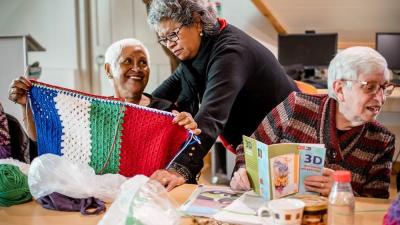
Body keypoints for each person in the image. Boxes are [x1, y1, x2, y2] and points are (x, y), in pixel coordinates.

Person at [146, 0, 298, 190]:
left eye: (173, 34)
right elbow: (161, 95)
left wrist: (177, 170)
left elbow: (210, 116)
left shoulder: (229, 52)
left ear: (197, 21)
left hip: (286, 139)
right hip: (257, 141)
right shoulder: (194, 57)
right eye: (163, 39)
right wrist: (132, 108)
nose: (169, 44)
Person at [230, 46, 396, 199]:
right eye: (370, 87)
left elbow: (376, 205)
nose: (381, 98)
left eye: (384, 88)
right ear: (339, 89)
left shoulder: (382, 141)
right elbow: (247, 150)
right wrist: (243, 171)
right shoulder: (296, 106)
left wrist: (342, 192)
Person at [8, 38, 200, 143]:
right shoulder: (93, 111)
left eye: (143, 63)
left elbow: (185, 156)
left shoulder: (166, 110)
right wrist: (26, 106)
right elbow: (46, 137)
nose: (137, 68)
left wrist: (189, 130)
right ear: (109, 70)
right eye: (128, 61)